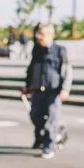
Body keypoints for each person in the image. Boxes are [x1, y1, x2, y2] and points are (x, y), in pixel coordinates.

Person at [22, 24, 72, 159]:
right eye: (38, 34)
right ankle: (47, 136)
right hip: (38, 90)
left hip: (53, 90)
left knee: (51, 118)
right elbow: (31, 69)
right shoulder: (37, 50)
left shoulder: (60, 51)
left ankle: (49, 146)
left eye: (42, 35)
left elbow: (67, 71)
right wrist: (28, 86)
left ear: (51, 36)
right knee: (35, 115)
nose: (39, 37)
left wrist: (65, 89)